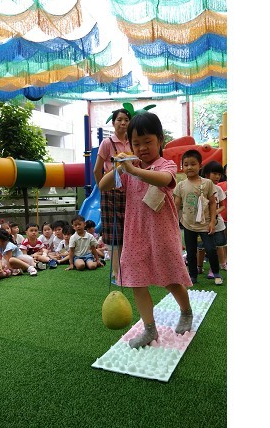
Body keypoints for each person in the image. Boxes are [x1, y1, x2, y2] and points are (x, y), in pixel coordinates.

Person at [99, 112, 193, 349]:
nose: (141, 148)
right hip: (134, 235)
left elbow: (163, 179)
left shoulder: (166, 165)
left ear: (160, 140)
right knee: (136, 282)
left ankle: (186, 311)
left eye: (147, 142)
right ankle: (149, 328)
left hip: (162, 235)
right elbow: (103, 186)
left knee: (171, 279)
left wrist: (133, 170)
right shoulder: (130, 169)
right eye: (136, 143)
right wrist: (119, 169)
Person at [173, 150, 223, 285]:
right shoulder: (181, 185)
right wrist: (174, 222)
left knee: (211, 249)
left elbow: (212, 203)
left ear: (200, 166)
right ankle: (193, 275)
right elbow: (176, 205)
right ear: (182, 167)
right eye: (186, 164)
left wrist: (212, 222)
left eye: (193, 164)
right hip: (188, 224)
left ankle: (216, 273)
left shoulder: (207, 183)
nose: (189, 167)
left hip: (205, 224)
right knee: (190, 251)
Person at [93, 108, 132, 282]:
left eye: (126, 120)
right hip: (111, 193)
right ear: (113, 122)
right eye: (119, 120)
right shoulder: (107, 143)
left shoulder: (133, 142)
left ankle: (125, 270)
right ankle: (117, 273)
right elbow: (97, 169)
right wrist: (102, 187)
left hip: (130, 193)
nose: (123, 123)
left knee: (128, 233)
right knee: (113, 234)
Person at [200, 160, 227, 272]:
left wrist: (215, 212)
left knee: (219, 244)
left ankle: (222, 264)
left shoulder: (219, 189)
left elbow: (222, 206)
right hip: (203, 221)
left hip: (217, 222)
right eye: (215, 173)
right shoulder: (200, 187)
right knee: (201, 245)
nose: (217, 177)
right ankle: (199, 267)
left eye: (219, 174)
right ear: (206, 174)